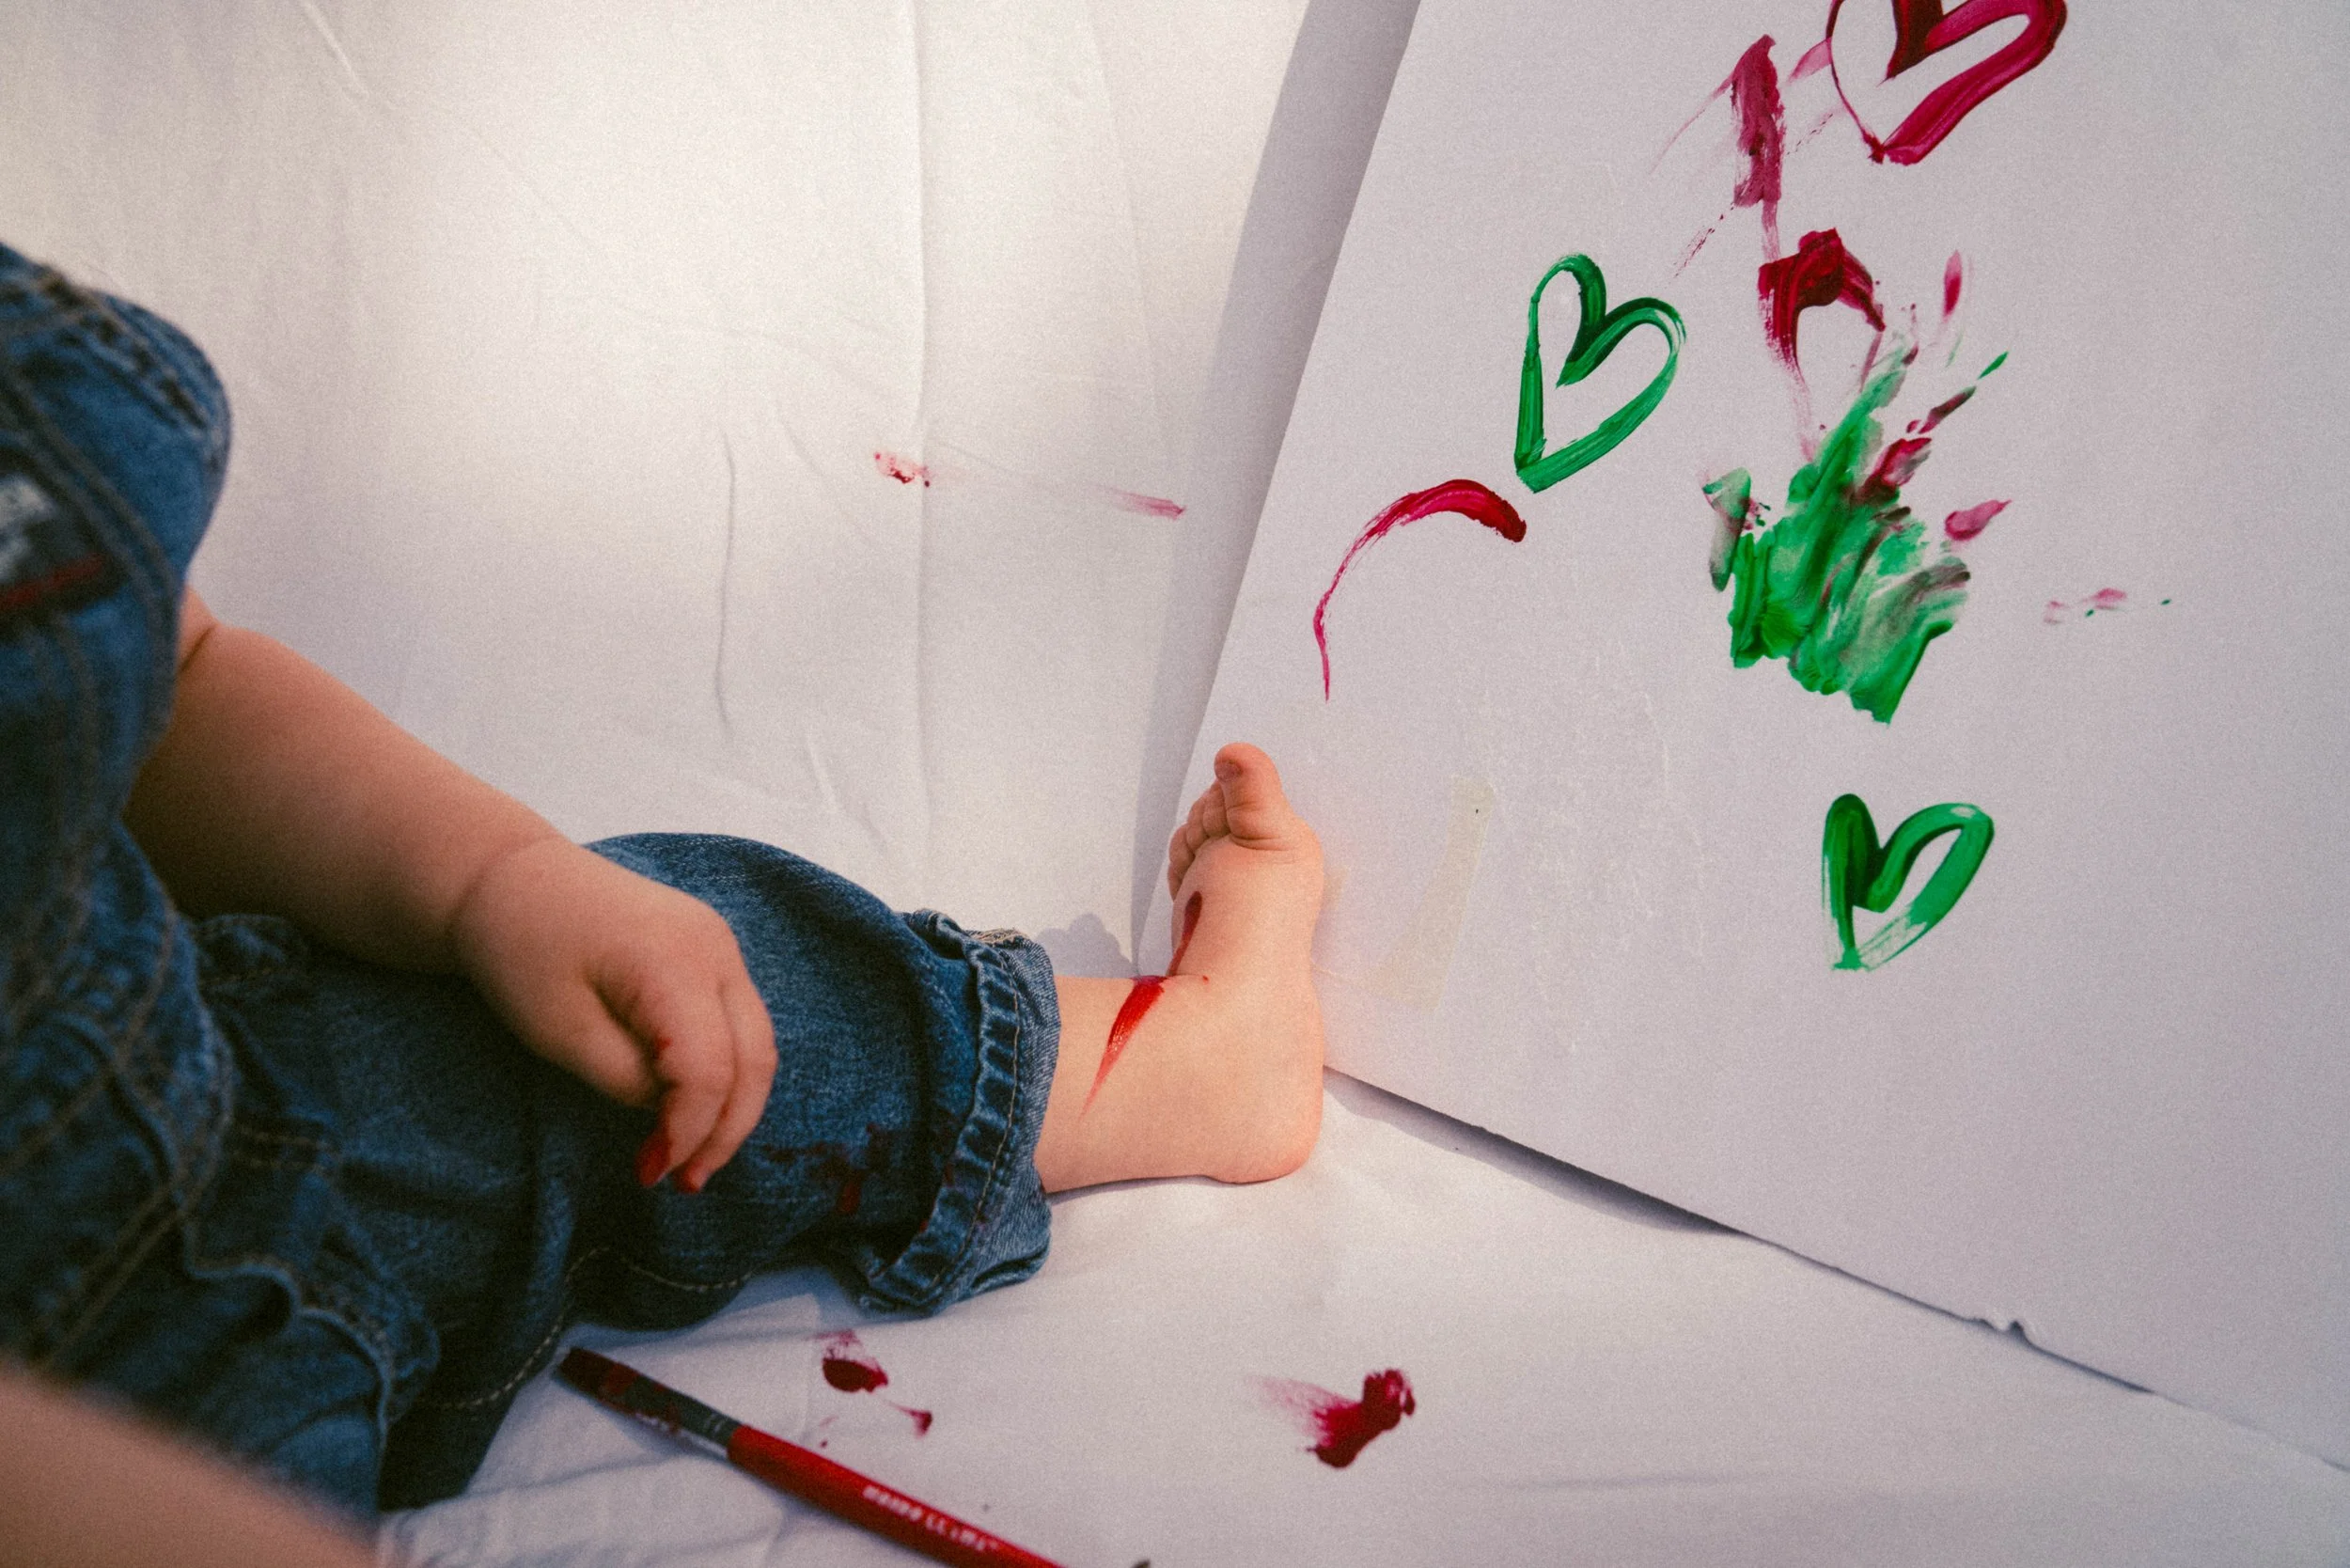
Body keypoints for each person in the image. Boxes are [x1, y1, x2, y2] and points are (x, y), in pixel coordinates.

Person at [0, 243, 1326, 1552]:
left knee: (700, 995)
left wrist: (493, 881)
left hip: (214, 1096)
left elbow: (182, 690)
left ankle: (1190, 1063)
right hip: (124, 1423)